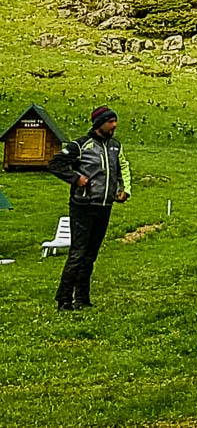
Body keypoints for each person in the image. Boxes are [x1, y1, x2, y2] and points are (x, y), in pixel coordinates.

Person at [47, 106, 131, 311]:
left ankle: (82, 299)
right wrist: (76, 179)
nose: (114, 125)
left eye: (115, 121)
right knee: (78, 253)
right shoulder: (80, 145)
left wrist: (125, 189)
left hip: (104, 205)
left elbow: (123, 167)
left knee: (91, 254)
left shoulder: (115, 146)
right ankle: (64, 299)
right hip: (82, 205)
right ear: (99, 123)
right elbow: (55, 164)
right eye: (110, 122)